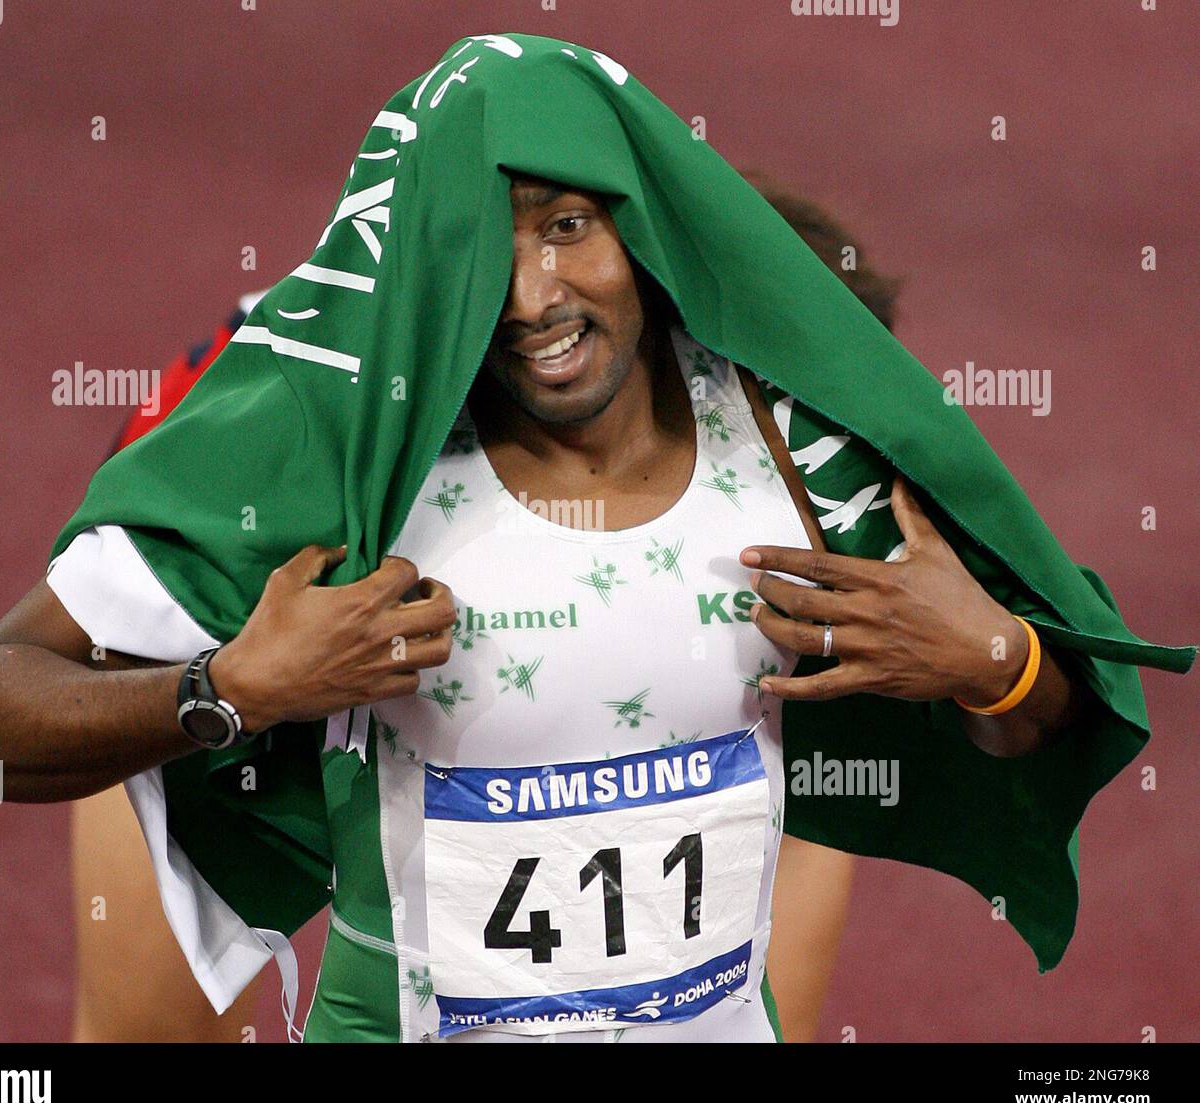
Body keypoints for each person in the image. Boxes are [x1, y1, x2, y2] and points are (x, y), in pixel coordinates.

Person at [0, 33, 1192, 1044]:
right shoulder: (315, 429)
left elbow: (1047, 684)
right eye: (499, 246)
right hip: (230, 575)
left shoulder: (783, 436)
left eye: (574, 229)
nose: (535, 292)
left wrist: (999, 662)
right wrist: (229, 690)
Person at [69, 182, 898, 1044]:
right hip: (226, 618)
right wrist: (225, 688)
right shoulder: (302, 395)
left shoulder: (788, 506)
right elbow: (69, 673)